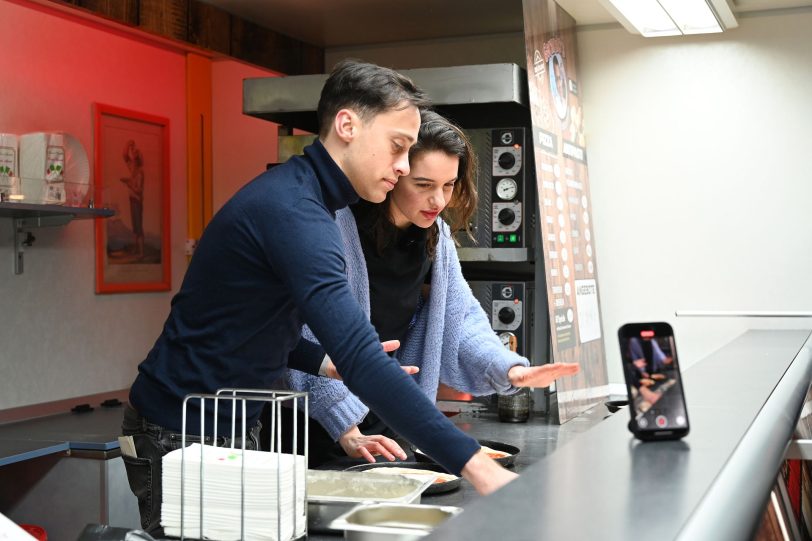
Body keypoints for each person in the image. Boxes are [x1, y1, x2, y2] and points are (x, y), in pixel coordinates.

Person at [121, 60, 515, 536]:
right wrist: (474, 463)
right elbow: (363, 359)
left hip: (232, 420)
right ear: (347, 125)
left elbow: (253, 321)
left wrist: (326, 364)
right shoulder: (295, 211)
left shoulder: (308, 202)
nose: (403, 166)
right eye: (398, 146)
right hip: (178, 426)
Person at [283, 110, 580, 465]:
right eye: (424, 185)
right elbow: (306, 332)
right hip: (311, 425)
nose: (439, 201)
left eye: (449, 185)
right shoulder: (334, 226)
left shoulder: (435, 239)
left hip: (384, 422)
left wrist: (508, 369)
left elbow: (461, 320)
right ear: (396, 172)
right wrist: (345, 425)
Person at [120, 140, 145, 257]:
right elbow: (125, 156)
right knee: (135, 226)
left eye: (134, 155)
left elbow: (139, 190)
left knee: (138, 227)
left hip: (136, 201)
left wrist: (129, 184)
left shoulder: (139, 173)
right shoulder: (133, 170)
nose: (132, 159)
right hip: (133, 200)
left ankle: (141, 252)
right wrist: (128, 144)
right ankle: (137, 250)